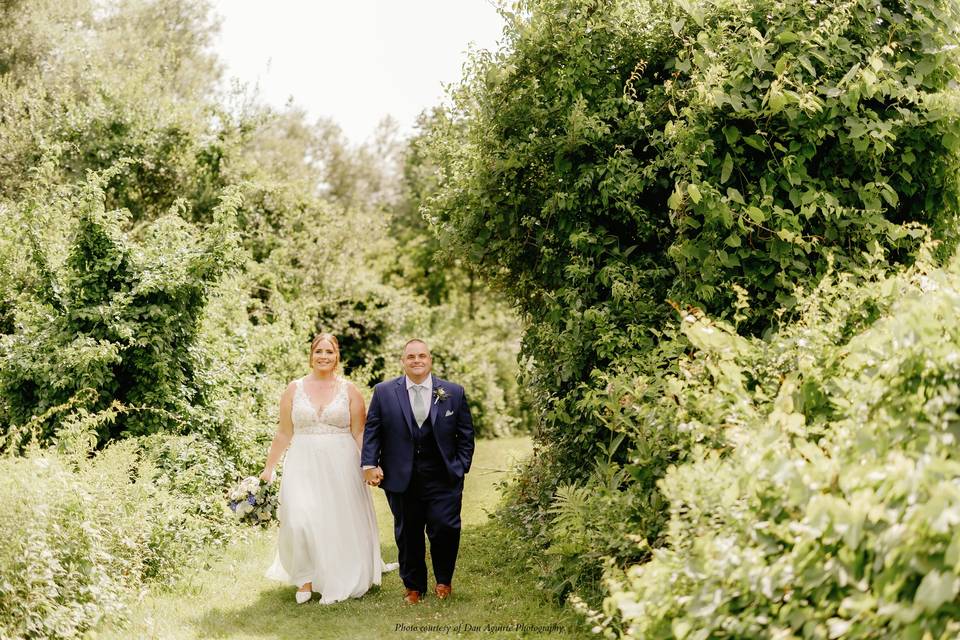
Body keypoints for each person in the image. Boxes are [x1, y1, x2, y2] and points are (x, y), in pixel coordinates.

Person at [261, 333, 397, 604]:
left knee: (338, 520)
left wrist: (369, 463)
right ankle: (305, 578)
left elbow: (360, 432)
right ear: (311, 355)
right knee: (298, 520)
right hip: (302, 462)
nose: (324, 356)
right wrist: (268, 468)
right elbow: (283, 433)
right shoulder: (294, 389)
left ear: (337, 357)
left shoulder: (350, 390)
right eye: (319, 351)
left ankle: (342, 572)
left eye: (330, 352)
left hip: (341, 462)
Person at [361, 338, 475, 604]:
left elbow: (466, 434)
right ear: (403, 361)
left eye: (421, 356)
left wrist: (460, 466)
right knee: (408, 532)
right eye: (411, 356)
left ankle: (444, 581)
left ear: (430, 360)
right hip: (401, 477)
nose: (416, 361)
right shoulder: (384, 391)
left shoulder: (453, 392)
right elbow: (373, 431)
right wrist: (369, 464)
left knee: (445, 528)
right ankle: (414, 587)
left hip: (444, 476)